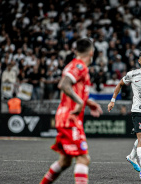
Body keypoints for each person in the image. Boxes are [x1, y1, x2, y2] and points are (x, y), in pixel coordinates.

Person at [40, 38, 103, 184]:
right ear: (92, 53)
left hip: (65, 117)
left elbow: (71, 89)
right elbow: (64, 84)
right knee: (83, 159)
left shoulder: (75, 65)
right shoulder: (79, 66)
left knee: (65, 161)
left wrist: (88, 102)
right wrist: (81, 102)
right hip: (70, 119)